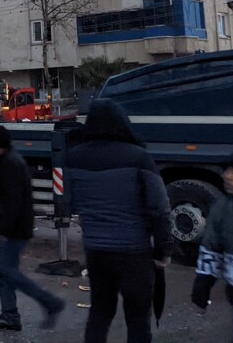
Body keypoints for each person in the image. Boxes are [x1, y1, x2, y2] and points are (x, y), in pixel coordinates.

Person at [67, 99, 171, 343]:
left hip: (96, 252)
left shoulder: (74, 157)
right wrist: (163, 249)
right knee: (137, 320)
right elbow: (160, 208)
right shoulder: (139, 157)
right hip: (134, 253)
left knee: (100, 314)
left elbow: (72, 203)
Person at [0, 125, 65, 332]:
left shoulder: (10, 164)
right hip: (15, 228)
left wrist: (3, 229)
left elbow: (12, 202)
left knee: (7, 271)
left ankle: (50, 302)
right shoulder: (8, 160)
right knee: (4, 272)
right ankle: (10, 315)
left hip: (14, 230)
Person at [192, 150, 233, 340]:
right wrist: (203, 282)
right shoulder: (225, 207)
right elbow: (212, 246)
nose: (226, 175)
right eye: (227, 169)